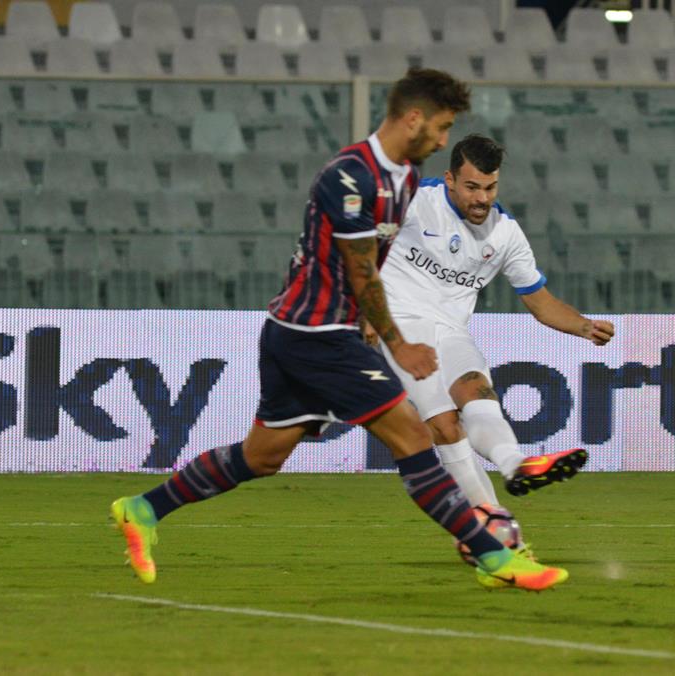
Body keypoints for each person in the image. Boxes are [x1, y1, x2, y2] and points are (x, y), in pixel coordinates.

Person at [110, 69, 568, 592]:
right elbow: (362, 270)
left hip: (304, 332)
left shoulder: (403, 179)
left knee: (261, 457)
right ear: (413, 119)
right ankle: (495, 555)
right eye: (441, 128)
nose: (443, 140)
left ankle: (143, 509)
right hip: (317, 334)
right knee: (415, 436)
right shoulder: (351, 176)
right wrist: (398, 341)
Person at [367, 133, 614, 511]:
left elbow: (540, 301)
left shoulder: (505, 233)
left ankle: (516, 466)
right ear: (449, 179)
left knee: (477, 392)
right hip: (400, 326)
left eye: (490, 187)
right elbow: (361, 247)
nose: (482, 198)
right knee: (445, 424)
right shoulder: (416, 201)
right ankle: (491, 519)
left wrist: (583, 326)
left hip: (450, 330)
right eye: (471, 187)